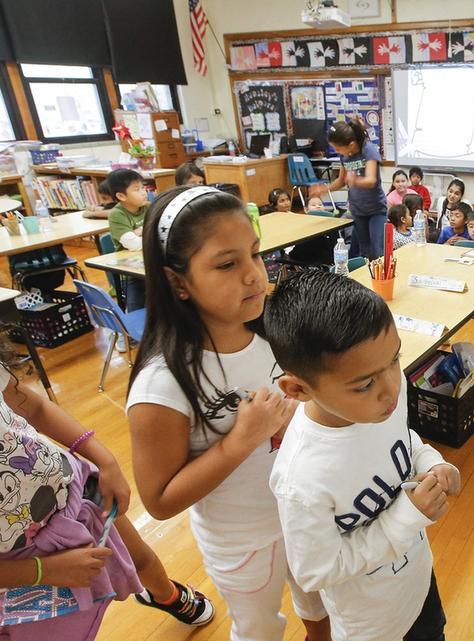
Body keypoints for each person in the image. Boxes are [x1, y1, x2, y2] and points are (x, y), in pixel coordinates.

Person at [125, 186, 331, 641]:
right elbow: (159, 501)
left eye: (255, 255)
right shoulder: (163, 383)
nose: (255, 276)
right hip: (243, 542)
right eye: (226, 264)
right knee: (258, 629)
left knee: (320, 604)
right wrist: (241, 440)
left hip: (305, 515)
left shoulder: (271, 331)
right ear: (177, 281)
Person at [264, 269, 459, 641]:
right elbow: (314, 571)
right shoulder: (302, 479)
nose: (390, 389)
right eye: (365, 384)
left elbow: (405, 440)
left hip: (418, 584)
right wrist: (406, 517)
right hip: (370, 624)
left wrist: (432, 463)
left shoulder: (384, 396)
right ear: (298, 388)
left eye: (395, 359)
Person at [0, 337, 214, 641]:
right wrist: (42, 570)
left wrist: (104, 459)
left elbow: (33, 408)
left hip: (74, 492)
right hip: (20, 562)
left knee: (141, 558)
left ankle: (164, 593)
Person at [319, 120, 387, 259]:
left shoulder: (367, 149)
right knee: (364, 252)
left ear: (350, 144)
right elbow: (341, 181)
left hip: (376, 210)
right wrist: (324, 189)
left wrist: (355, 180)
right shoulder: (344, 156)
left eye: (338, 149)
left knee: (378, 251)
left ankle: (380, 279)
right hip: (357, 210)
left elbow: (371, 180)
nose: (337, 152)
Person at [105, 169, 149, 315]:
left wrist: (141, 231)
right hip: (130, 271)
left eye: (143, 187)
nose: (144, 192)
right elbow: (134, 245)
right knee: (138, 309)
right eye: (137, 189)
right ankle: (136, 335)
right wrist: (148, 230)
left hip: (150, 263)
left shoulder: (148, 207)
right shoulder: (117, 215)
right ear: (121, 196)